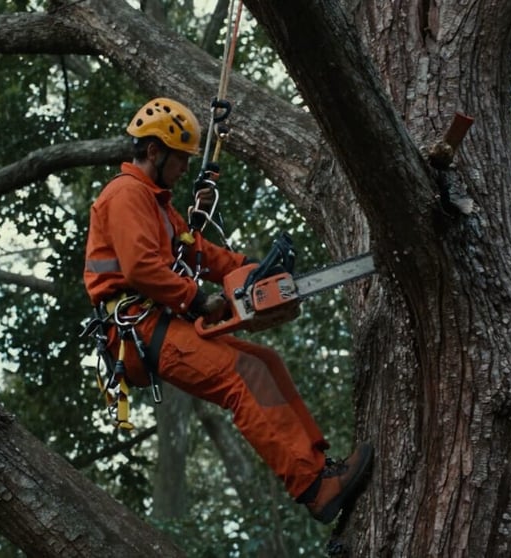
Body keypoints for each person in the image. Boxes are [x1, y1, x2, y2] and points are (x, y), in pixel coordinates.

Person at [83, 97, 372, 523]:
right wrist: (199, 300)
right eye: (179, 159)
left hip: (163, 321)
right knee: (243, 376)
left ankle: (318, 465)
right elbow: (142, 268)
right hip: (143, 327)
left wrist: (252, 270)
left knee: (265, 361)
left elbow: (200, 254)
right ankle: (312, 487)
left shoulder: (158, 204)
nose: (184, 169)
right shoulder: (126, 194)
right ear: (152, 152)